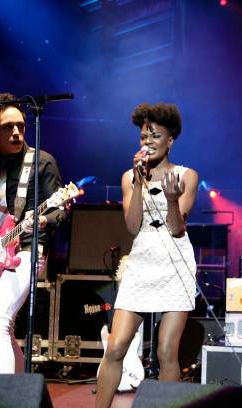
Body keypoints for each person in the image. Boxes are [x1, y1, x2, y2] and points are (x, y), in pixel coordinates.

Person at [96, 103, 198, 407]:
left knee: (166, 351)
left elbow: (177, 229)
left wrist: (170, 200)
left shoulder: (186, 176)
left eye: (155, 136)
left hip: (175, 264)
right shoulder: (129, 177)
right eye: (143, 137)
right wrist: (140, 182)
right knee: (115, 348)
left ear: (170, 140)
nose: (147, 142)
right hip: (142, 262)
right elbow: (132, 226)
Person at [0, 92, 66, 374]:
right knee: (4, 330)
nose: (16, 132)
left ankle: (1, 397)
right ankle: (18, 394)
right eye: (7, 127)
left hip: (28, 252)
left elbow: (60, 211)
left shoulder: (43, 161)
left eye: (21, 126)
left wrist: (44, 222)